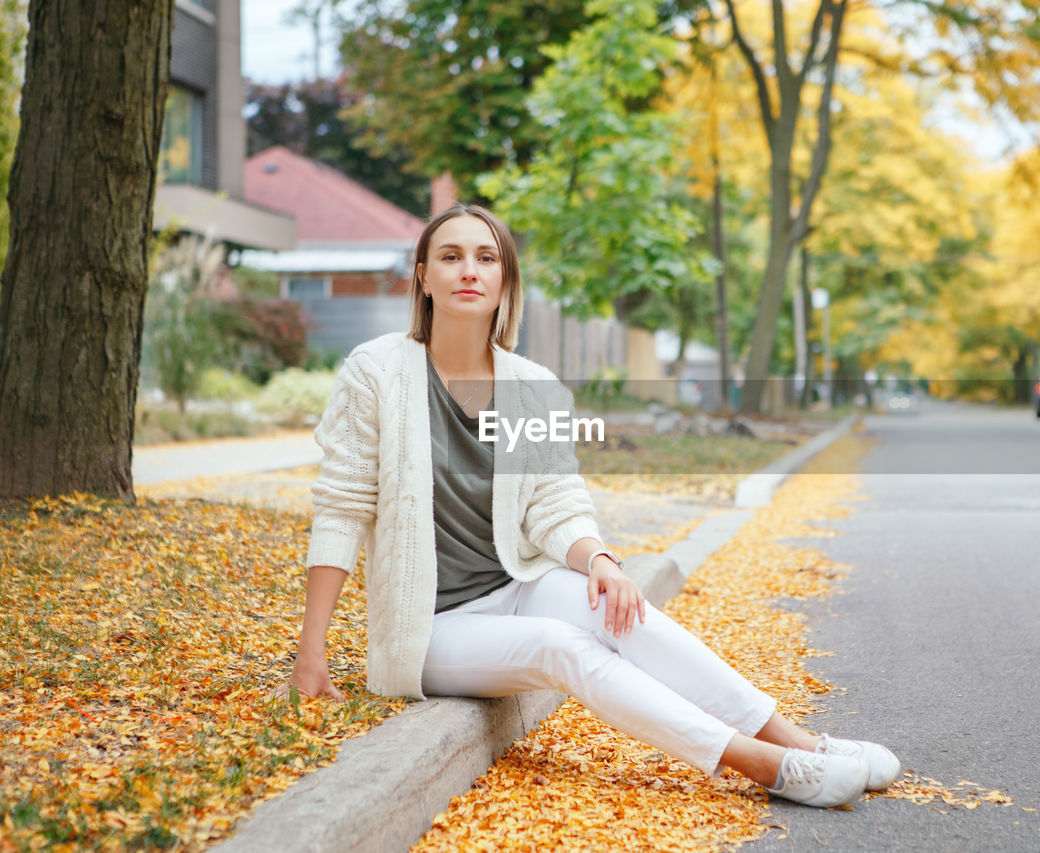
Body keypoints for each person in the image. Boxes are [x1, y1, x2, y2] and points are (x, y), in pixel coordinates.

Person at [275, 203, 901, 808]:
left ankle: (798, 740)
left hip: (514, 586)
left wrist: (599, 558)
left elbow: (556, 502)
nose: (469, 270)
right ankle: (758, 763)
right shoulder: (377, 373)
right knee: (560, 646)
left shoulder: (533, 388)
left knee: (621, 609)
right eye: (451, 256)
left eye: (486, 257)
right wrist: (313, 651)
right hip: (430, 628)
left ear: (505, 279)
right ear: (424, 276)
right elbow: (344, 506)